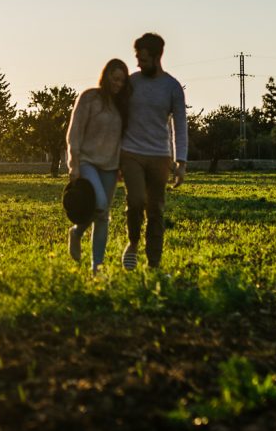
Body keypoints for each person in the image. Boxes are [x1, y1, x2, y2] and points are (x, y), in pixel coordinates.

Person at [119, 33, 188, 270]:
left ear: (157, 56)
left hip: (160, 156)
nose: (138, 63)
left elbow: (180, 126)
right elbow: (118, 117)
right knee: (136, 200)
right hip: (130, 153)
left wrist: (181, 162)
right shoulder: (131, 83)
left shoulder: (172, 87)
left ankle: (154, 264)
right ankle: (133, 243)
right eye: (137, 58)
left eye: (143, 59)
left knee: (156, 210)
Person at [66, 58, 131, 273]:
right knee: (100, 205)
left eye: (122, 81)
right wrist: (73, 163)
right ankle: (76, 233)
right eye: (115, 79)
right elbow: (74, 132)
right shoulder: (89, 98)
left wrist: (121, 164)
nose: (118, 84)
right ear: (106, 76)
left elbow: (123, 138)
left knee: (103, 216)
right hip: (87, 161)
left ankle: (97, 267)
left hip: (110, 166)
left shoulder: (122, 105)